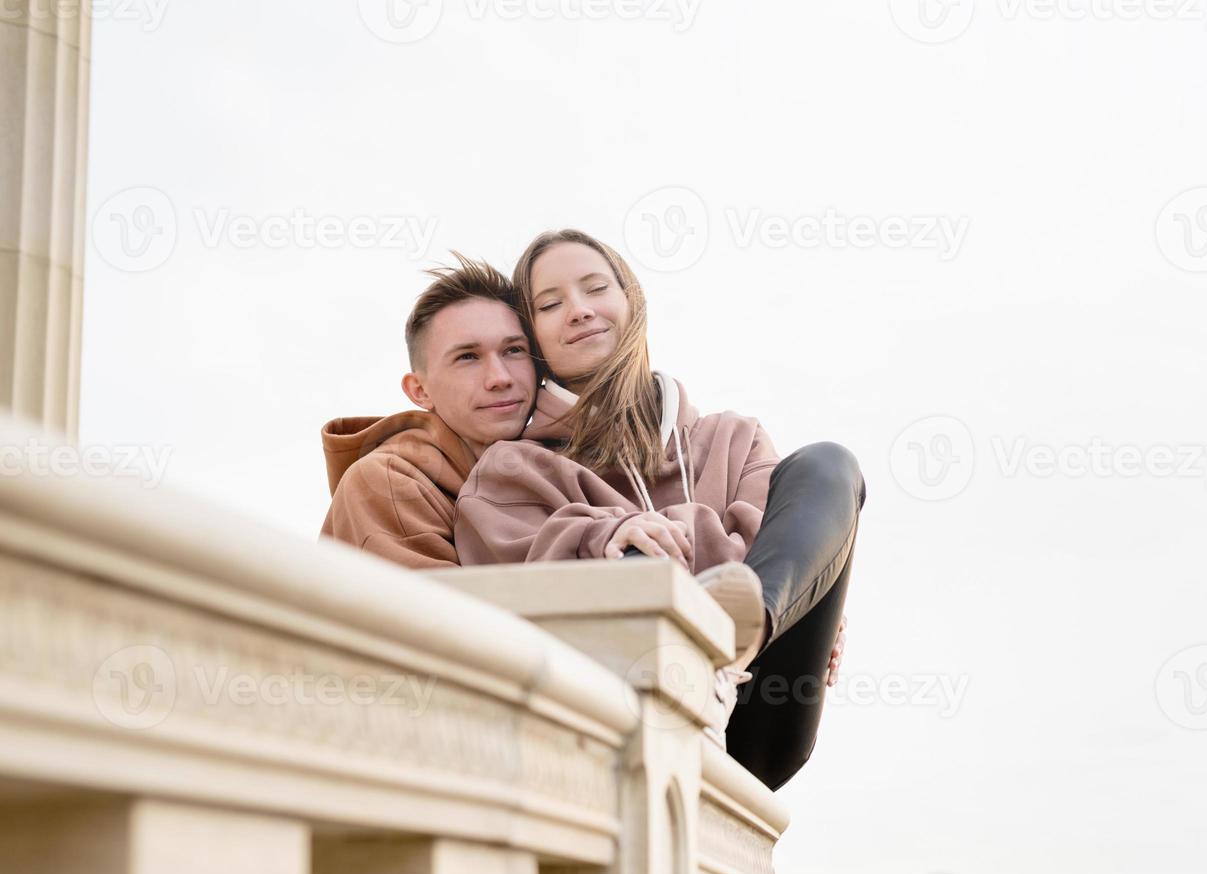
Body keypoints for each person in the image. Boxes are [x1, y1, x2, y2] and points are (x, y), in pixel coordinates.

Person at [454, 229, 863, 790]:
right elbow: (524, 594)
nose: (578, 311)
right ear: (534, 340)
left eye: (596, 289)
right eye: (549, 305)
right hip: (625, 727)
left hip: (757, 710)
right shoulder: (513, 469)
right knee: (626, 564)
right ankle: (710, 652)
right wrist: (611, 534)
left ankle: (737, 638)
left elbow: (790, 553)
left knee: (827, 464)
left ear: (632, 303)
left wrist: (782, 600)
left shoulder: (734, 439)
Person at [321, 254, 538, 569]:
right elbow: (442, 616)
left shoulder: (557, 466)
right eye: (467, 357)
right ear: (419, 390)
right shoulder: (387, 484)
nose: (500, 378)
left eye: (514, 350)